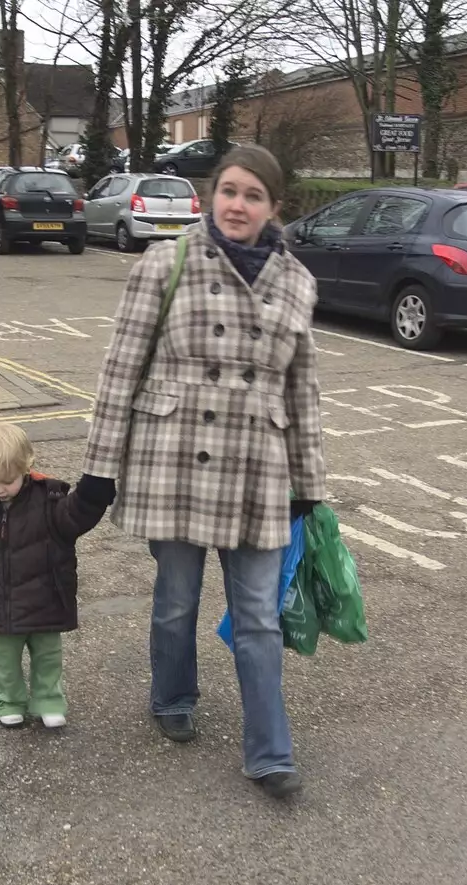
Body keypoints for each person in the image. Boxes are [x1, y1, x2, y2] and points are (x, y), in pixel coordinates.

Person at [76, 143, 327, 798]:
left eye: (253, 195)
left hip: (257, 471)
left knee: (259, 616)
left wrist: (309, 484)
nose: (237, 204)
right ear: (212, 194)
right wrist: (98, 473)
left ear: (274, 208)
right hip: (176, 460)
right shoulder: (168, 262)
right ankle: (172, 696)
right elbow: (120, 370)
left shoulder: (297, 281)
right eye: (229, 190)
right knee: (176, 600)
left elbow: (302, 392)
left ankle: (270, 751)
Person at [0, 421, 113, 729]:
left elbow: (77, 515)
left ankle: (48, 700)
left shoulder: (50, 501)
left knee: (48, 656)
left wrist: (96, 491)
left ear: (27, 467)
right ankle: (10, 700)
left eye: (8, 480)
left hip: (45, 600)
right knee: (4, 661)